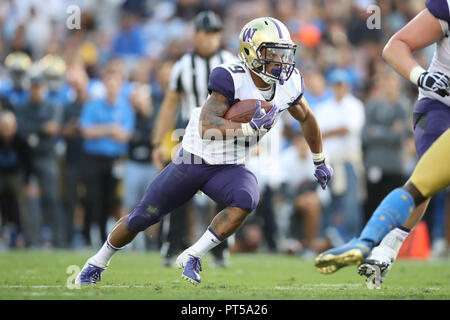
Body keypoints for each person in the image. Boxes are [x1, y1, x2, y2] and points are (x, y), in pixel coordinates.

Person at [76, 17, 333, 285]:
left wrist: (320, 159)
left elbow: (307, 118)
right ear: (250, 52)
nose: (280, 60)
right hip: (194, 158)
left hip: (230, 163)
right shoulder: (231, 77)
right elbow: (207, 125)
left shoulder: (289, 82)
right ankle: (97, 261)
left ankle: (193, 255)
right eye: (272, 52)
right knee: (143, 216)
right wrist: (247, 128)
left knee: (247, 199)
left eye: (284, 52)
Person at [314, 0, 450, 289]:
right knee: (425, 182)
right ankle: (381, 249)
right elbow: (395, 45)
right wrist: (422, 76)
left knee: (422, 184)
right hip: (441, 106)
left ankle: (370, 244)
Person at [151, 11, 237, 267]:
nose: (210, 38)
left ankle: (220, 251)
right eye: (206, 32)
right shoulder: (182, 66)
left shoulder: (231, 62)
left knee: (225, 195)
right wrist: (157, 142)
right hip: (192, 140)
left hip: (224, 140)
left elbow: (245, 105)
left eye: (214, 32)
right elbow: (169, 105)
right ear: (196, 34)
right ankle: (172, 246)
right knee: (179, 193)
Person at [79, 61, 135, 246]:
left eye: (116, 83)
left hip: (114, 160)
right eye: (109, 83)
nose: (112, 87)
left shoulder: (125, 107)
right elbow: (86, 131)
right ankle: (88, 233)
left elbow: (125, 136)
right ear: (104, 85)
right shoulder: (93, 105)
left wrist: (101, 131)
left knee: (109, 199)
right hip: (93, 158)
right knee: (91, 197)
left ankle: (103, 233)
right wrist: (111, 129)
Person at [314, 68, 365, 245]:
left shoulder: (354, 105)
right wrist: (333, 131)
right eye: (335, 84)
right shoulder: (324, 107)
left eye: (341, 84)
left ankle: (351, 240)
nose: (338, 88)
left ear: (348, 86)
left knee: (350, 204)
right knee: (328, 203)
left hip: (348, 160)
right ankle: (327, 241)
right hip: (328, 160)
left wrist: (328, 132)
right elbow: (317, 133)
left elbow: (349, 128)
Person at [15, 67, 64, 248]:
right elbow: (20, 131)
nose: (36, 89)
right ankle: (33, 240)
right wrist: (41, 128)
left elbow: (53, 128)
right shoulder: (22, 107)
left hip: (47, 157)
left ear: (43, 87)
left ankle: (59, 240)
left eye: (39, 86)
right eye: (34, 86)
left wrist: (35, 130)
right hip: (27, 159)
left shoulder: (52, 106)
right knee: (29, 202)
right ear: (30, 88)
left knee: (52, 198)